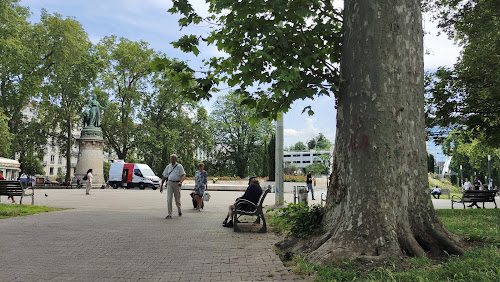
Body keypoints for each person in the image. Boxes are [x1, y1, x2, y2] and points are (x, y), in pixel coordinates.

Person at [160, 154, 186, 218]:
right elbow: (164, 176)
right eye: (171, 159)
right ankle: (170, 213)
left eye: (174, 159)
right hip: (170, 183)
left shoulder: (179, 166)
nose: (172, 160)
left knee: (177, 199)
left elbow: (183, 175)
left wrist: (181, 182)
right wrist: (161, 185)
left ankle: (179, 210)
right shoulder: (168, 167)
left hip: (177, 184)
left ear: (176, 159)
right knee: (169, 199)